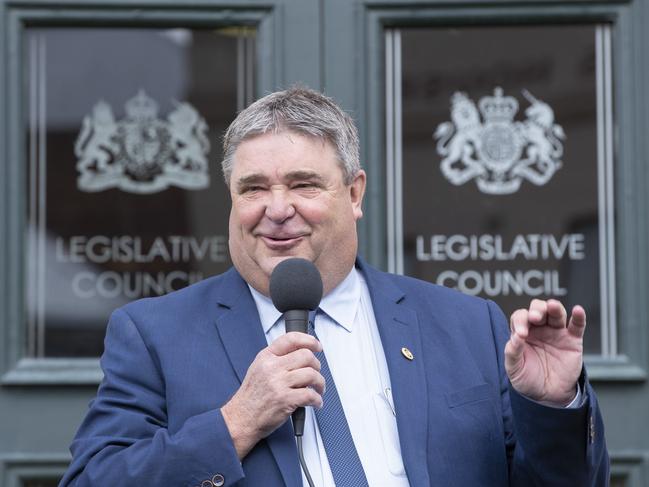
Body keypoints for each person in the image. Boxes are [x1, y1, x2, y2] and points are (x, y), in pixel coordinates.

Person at [60, 87, 609, 487]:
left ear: (354, 193)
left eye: (303, 184)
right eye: (253, 188)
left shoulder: (469, 324)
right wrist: (237, 422)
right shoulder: (153, 334)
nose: (277, 210)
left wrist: (553, 405)